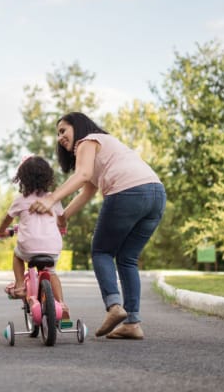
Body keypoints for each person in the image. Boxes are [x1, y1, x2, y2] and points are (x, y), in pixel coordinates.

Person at [30, 112, 166, 340]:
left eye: (63, 130)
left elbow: (82, 175)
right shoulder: (107, 145)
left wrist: (51, 199)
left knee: (102, 251)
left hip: (127, 192)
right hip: (156, 194)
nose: (60, 137)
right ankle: (132, 323)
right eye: (58, 134)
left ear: (79, 126)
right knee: (127, 258)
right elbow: (88, 189)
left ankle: (114, 306)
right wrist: (63, 216)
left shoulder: (87, 140)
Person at [0, 155, 70, 318]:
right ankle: (62, 305)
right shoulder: (53, 199)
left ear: (22, 179)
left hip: (29, 248)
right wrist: (62, 227)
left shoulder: (20, 200)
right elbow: (62, 218)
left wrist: (1, 231)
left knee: (17, 255)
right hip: (52, 247)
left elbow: (6, 219)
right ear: (48, 178)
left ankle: (20, 285)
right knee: (52, 272)